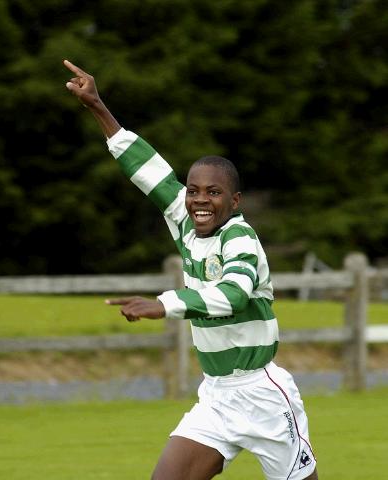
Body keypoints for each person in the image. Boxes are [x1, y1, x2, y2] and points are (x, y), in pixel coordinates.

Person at [64, 59, 319, 480]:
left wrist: (163, 305)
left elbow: (232, 296)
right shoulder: (185, 219)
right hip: (216, 396)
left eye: (213, 192)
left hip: (263, 395)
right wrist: (97, 105)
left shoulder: (241, 239)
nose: (200, 200)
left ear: (234, 201)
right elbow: (146, 169)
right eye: (194, 190)